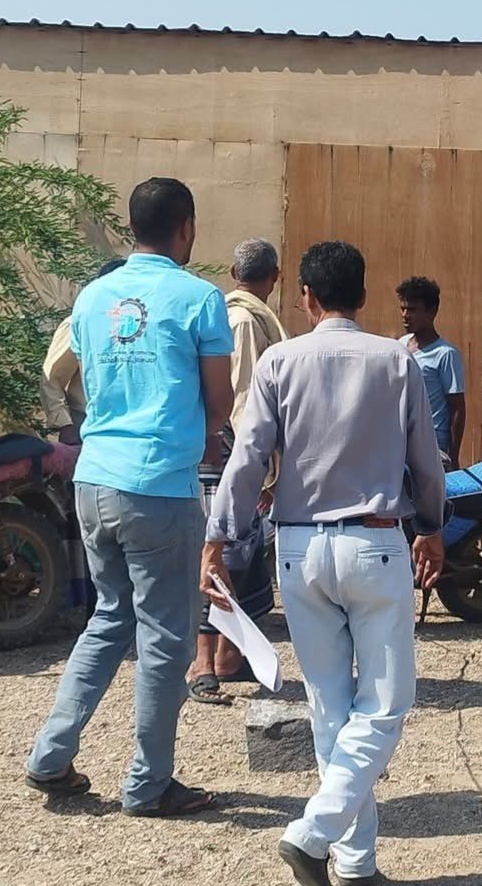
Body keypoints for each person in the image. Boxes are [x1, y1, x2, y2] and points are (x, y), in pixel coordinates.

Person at [205, 241, 446, 886]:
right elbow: (426, 463)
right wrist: (431, 527)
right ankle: (315, 836)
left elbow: (248, 457)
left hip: (299, 548)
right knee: (386, 704)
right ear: (363, 297)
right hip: (375, 542)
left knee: (329, 707)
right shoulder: (397, 361)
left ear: (306, 297)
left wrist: (218, 536)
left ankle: (353, 862)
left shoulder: (280, 361)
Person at [24, 177, 234, 817]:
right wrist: (197, 430)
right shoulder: (200, 298)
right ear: (186, 227)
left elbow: (77, 379)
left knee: (110, 618)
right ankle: (149, 784)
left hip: (95, 479)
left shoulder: (92, 298)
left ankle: (50, 756)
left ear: (132, 227)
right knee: (167, 637)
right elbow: (220, 403)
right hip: (158, 486)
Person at [187, 238, 289, 706]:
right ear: (275, 277)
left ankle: (229, 657)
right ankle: (204, 662)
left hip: (221, 450)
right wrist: (261, 468)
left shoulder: (227, 313)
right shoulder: (246, 321)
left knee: (242, 555)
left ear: (233, 273)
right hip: (230, 454)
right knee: (223, 555)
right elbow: (245, 398)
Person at [39, 257, 129, 445]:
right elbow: (52, 377)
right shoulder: (79, 323)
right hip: (88, 422)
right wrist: (65, 425)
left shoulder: (139, 326)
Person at [396, 276, 466, 467]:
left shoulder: (445, 354)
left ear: (432, 311)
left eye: (412, 310)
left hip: (432, 448)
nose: (405, 315)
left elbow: (457, 408)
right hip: (402, 444)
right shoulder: (400, 346)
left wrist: (453, 457)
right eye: (403, 309)